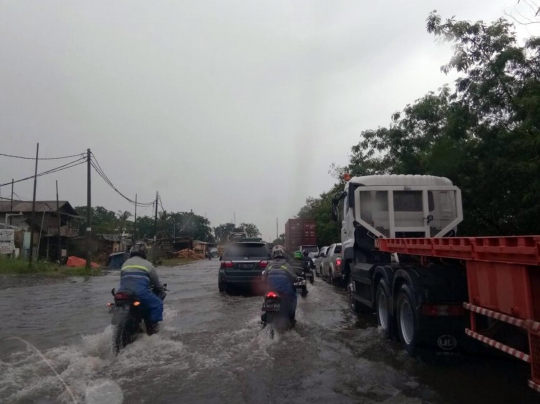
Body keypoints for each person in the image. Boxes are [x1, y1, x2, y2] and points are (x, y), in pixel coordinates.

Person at [118, 242, 164, 335]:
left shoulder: (125, 264)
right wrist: (161, 288)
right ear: (144, 253)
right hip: (140, 293)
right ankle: (152, 329)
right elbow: (156, 283)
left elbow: (122, 279)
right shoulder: (148, 264)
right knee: (158, 304)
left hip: (122, 293)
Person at [262, 245, 299, 324]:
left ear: (273, 255)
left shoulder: (269, 265)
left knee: (265, 296)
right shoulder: (286, 264)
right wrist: (296, 280)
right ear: (283, 254)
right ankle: (292, 318)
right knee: (293, 297)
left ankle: (265, 316)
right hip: (284, 290)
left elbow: (263, 278)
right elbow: (293, 277)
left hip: (270, 290)